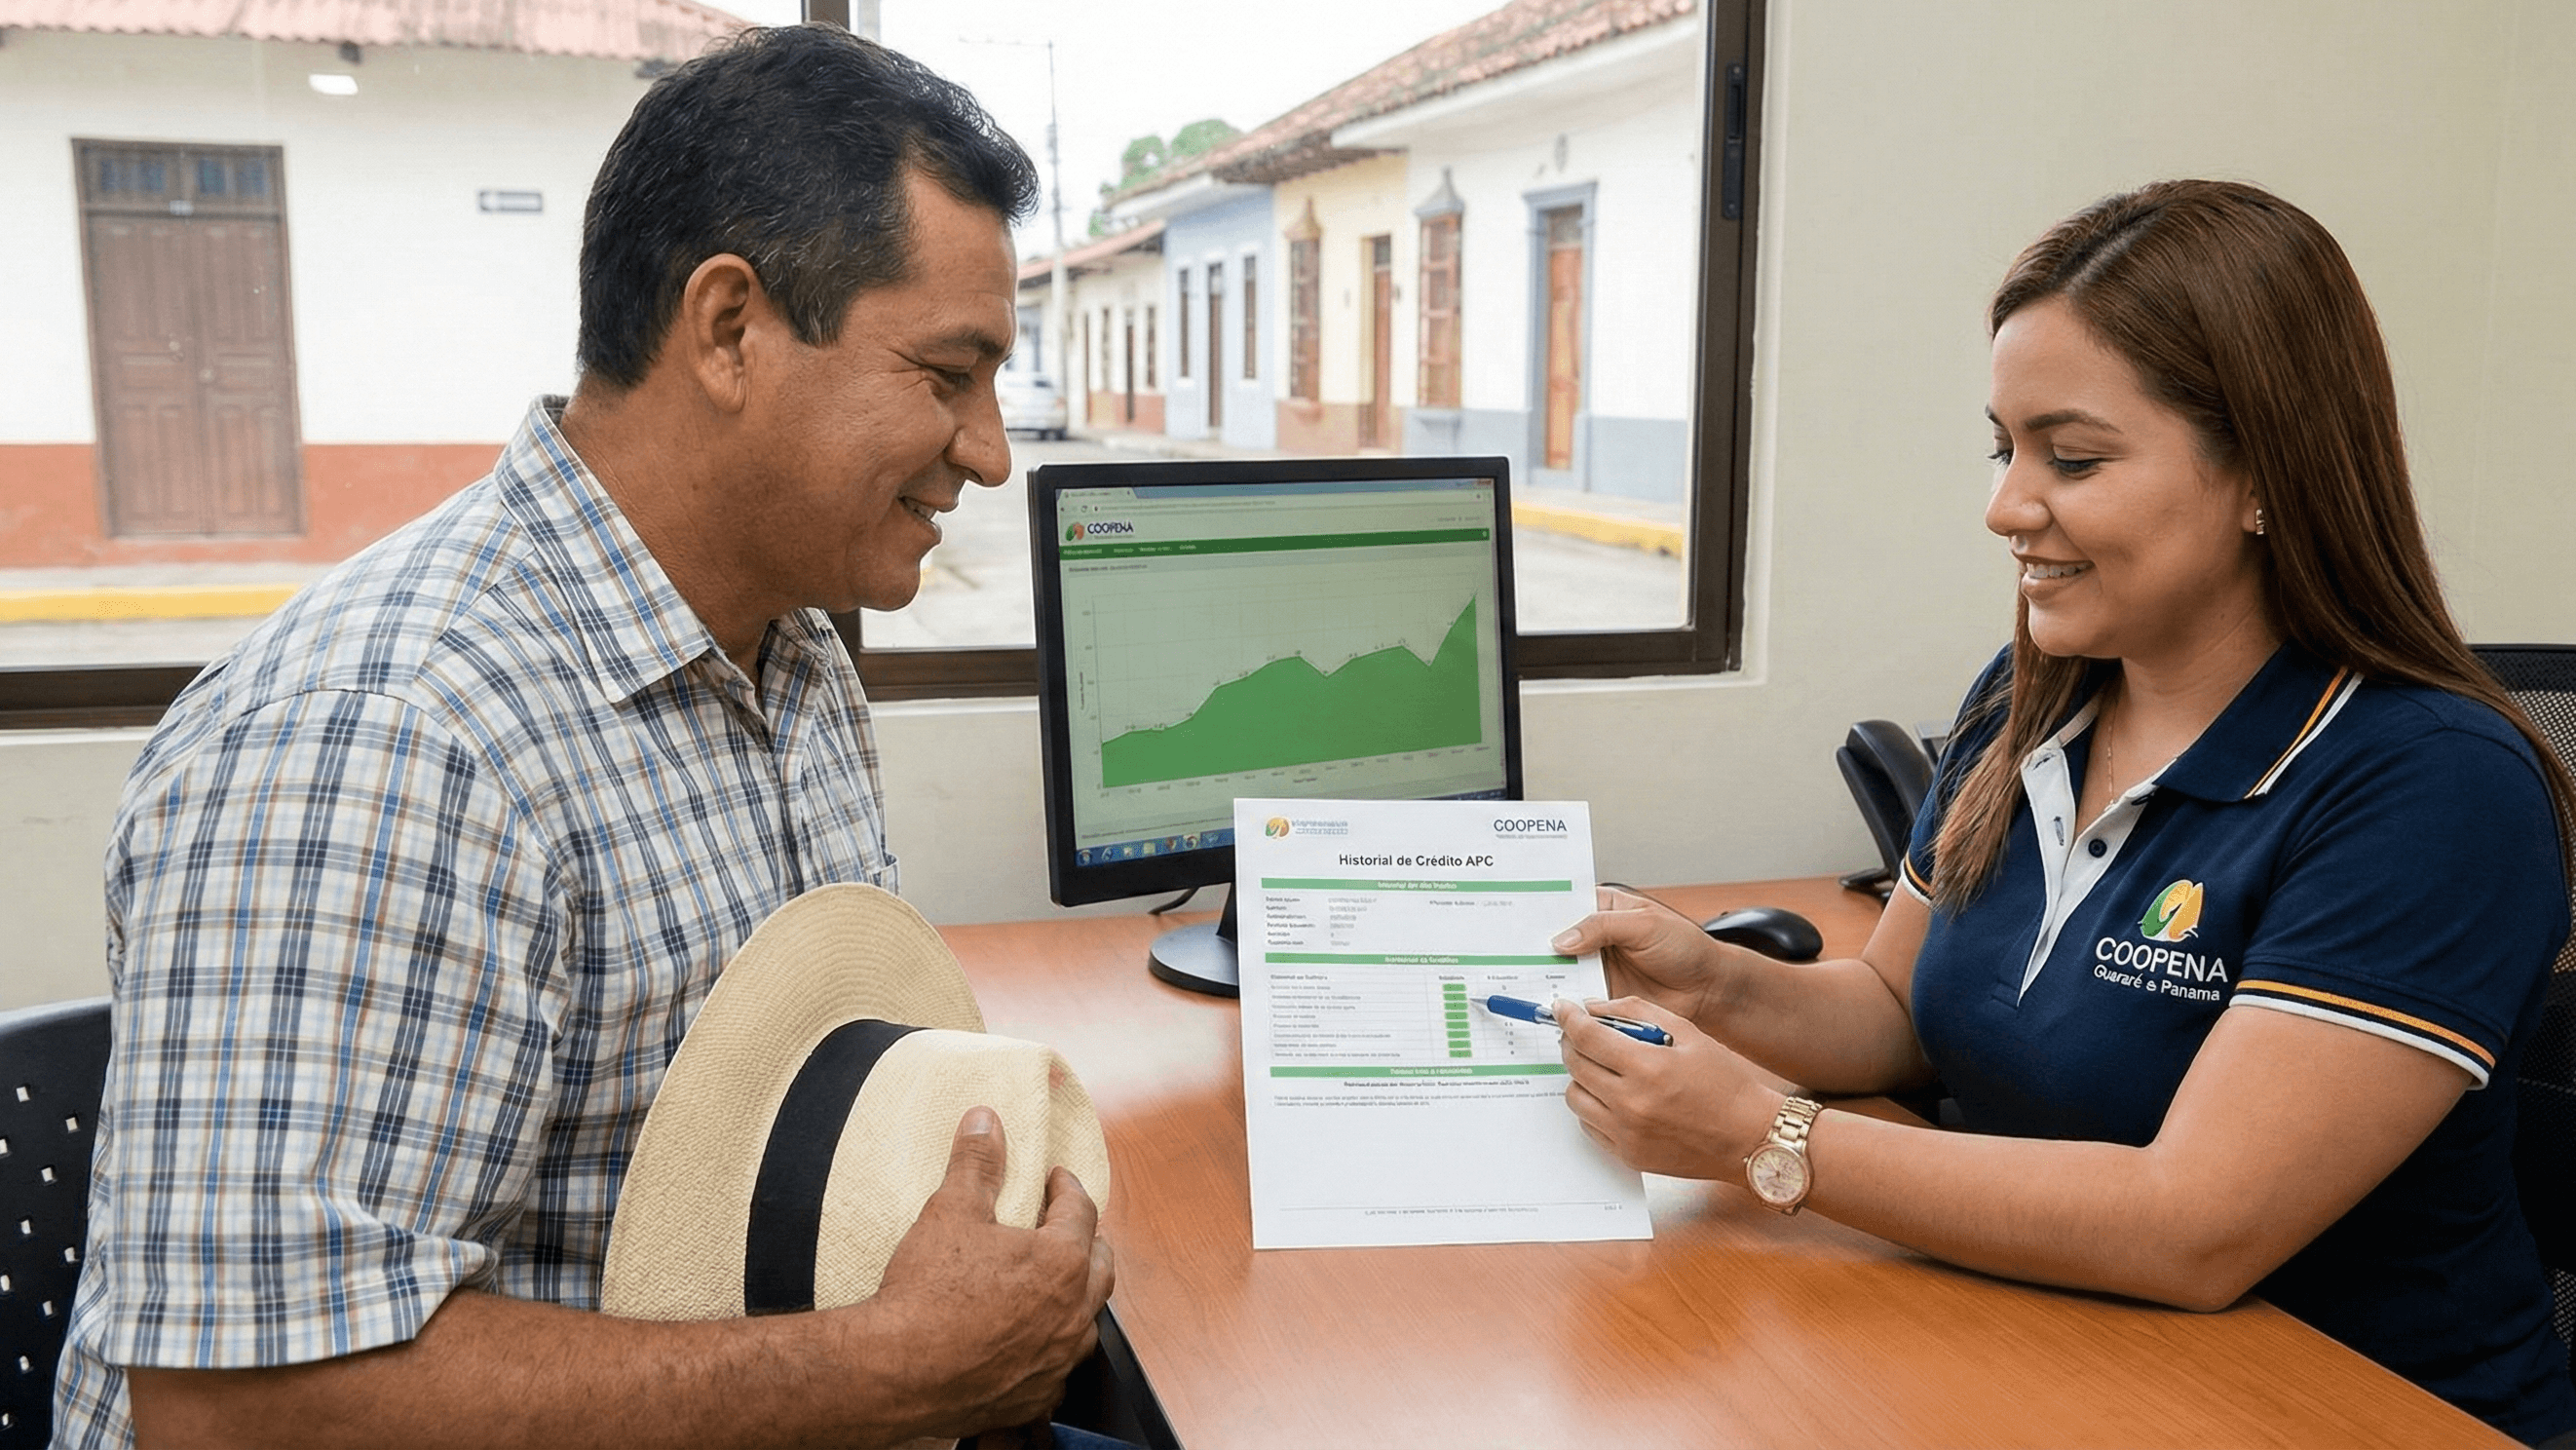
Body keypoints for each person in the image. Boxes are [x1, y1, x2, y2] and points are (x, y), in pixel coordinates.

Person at [55, 25, 1121, 1450]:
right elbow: (238, 1414)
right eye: (946, 373)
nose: (991, 449)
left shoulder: (788, 647)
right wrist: (884, 1372)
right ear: (731, 327)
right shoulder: (393, 743)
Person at [1550, 179, 2576, 1446]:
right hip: (2059, 1356)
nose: (2006, 507)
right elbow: (1895, 1015)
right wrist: (1708, 985)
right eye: (2005, 447)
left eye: (2072, 458)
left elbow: (2195, 1226)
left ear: (2262, 470)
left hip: (2338, 1407)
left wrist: (1772, 1136)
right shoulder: (2032, 695)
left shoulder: (2431, 786)